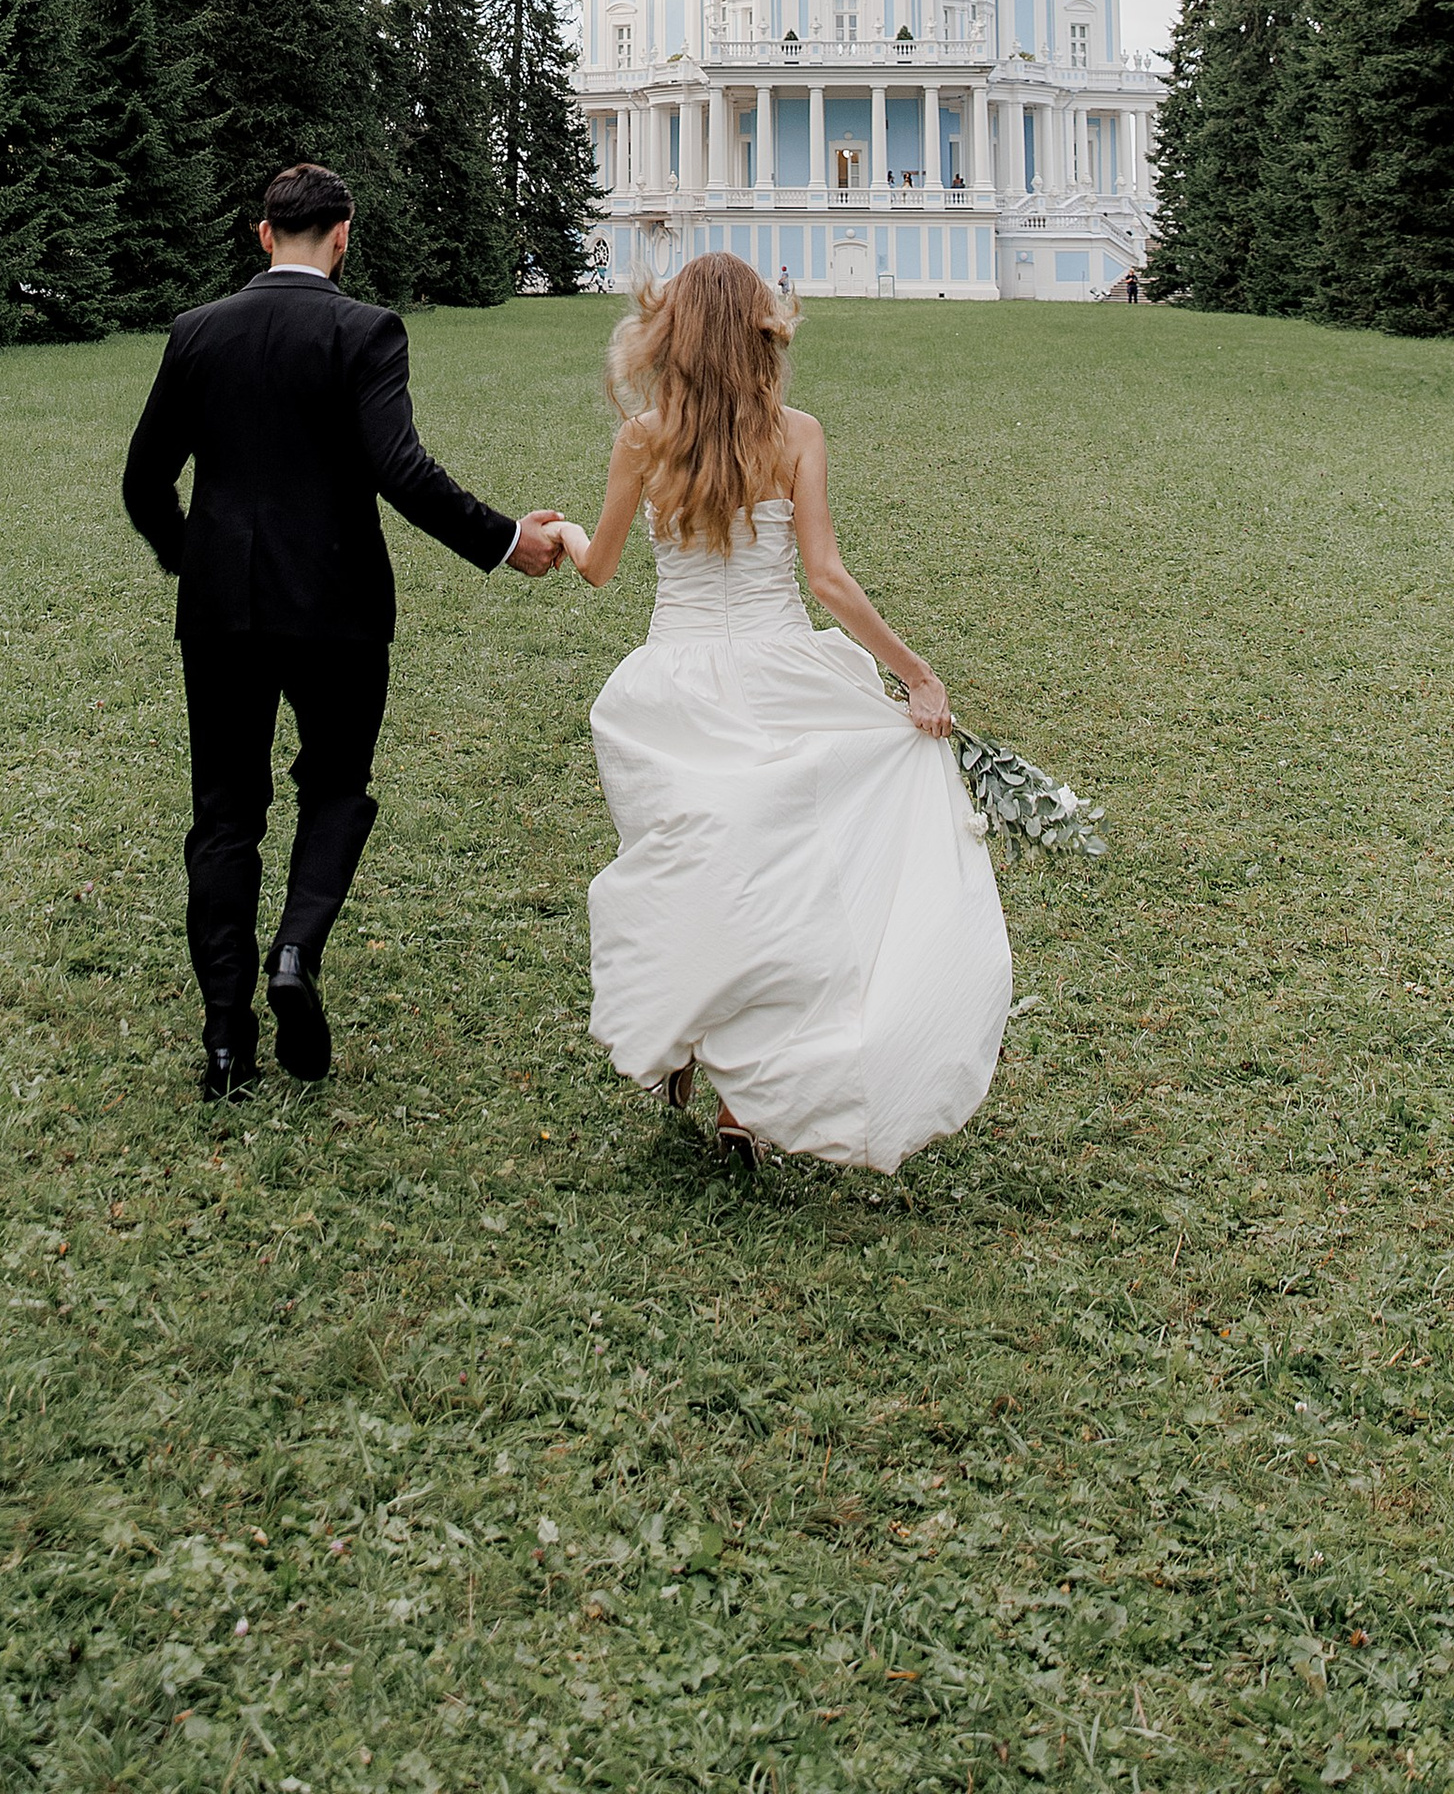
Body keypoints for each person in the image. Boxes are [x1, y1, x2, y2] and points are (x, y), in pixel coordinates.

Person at [554, 251, 1010, 1169]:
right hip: (781, 673)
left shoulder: (643, 437)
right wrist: (916, 674)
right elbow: (828, 581)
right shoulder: (797, 433)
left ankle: (689, 1045)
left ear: (671, 336)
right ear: (762, 333)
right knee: (785, 880)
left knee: (691, 865)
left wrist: (557, 531)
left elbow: (599, 566)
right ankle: (741, 1100)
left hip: (676, 684)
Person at [122, 161, 566, 1103]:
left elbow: (143, 481)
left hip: (223, 612)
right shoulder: (364, 330)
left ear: (262, 233)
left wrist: (191, 557)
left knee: (225, 815)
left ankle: (225, 1041)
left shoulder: (196, 333)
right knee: (335, 788)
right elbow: (400, 468)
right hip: (338, 608)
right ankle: (295, 952)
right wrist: (504, 542)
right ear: (344, 235)